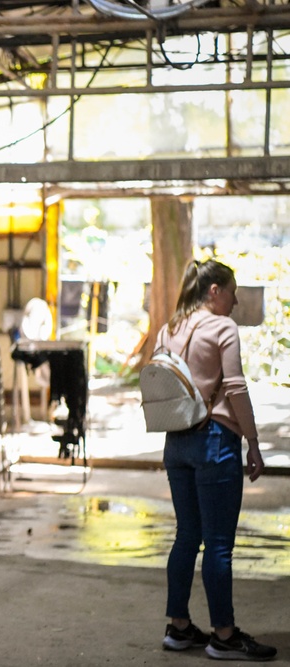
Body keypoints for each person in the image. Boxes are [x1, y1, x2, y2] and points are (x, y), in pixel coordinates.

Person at [157, 259, 277, 661]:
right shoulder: (222, 327)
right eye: (231, 291)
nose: (236, 299)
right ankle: (223, 635)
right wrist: (253, 441)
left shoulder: (169, 328)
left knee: (186, 536)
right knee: (219, 546)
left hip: (176, 442)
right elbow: (236, 387)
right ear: (214, 291)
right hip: (214, 442)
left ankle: (178, 627)